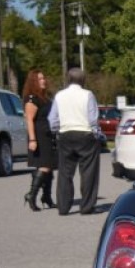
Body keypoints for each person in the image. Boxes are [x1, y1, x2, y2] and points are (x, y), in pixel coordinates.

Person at [48, 68, 104, 215]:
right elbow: (93, 118)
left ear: (68, 79)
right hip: (85, 134)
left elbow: (52, 120)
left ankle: (63, 206)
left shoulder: (59, 95)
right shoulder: (88, 95)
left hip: (66, 134)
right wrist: (97, 134)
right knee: (88, 172)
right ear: (83, 80)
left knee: (65, 173)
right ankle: (86, 206)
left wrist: (58, 131)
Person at [21, 69, 57, 211]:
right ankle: (31, 195)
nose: (43, 80)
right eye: (40, 79)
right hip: (39, 136)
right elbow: (29, 120)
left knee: (50, 167)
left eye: (44, 78)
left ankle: (46, 197)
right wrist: (32, 140)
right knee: (44, 166)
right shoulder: (31, 98)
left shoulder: (45, 98)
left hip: (48, 135)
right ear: (33, 82)